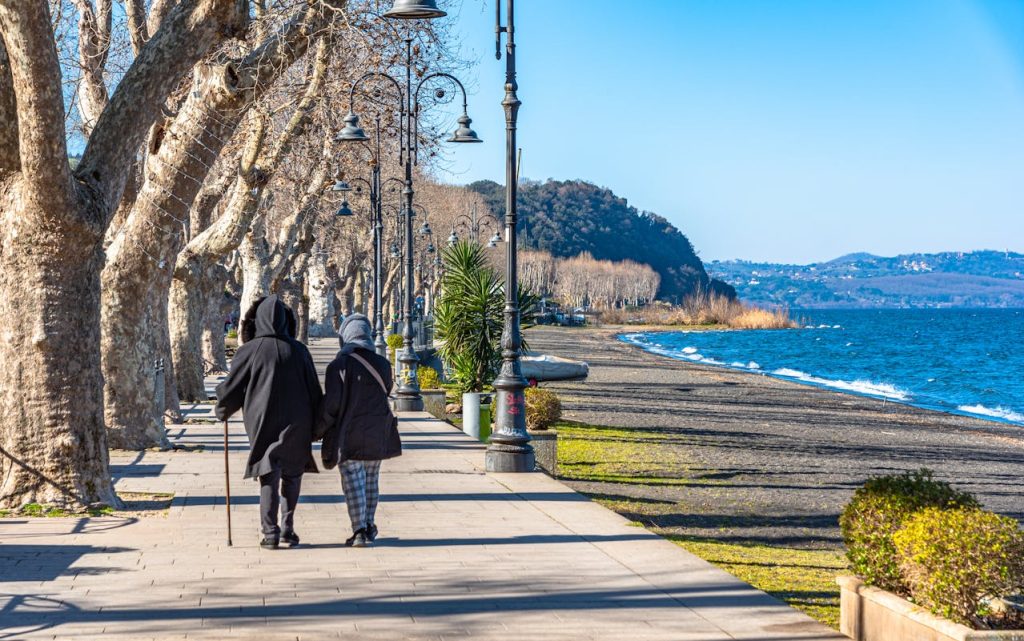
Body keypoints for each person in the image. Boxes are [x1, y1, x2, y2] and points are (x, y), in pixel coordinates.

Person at [215, 295, 323, 549]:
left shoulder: (248, 351)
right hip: (298, 419)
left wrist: (223, 408)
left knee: (268, 471)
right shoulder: (299, 351)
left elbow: (232, 387)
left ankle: (270, 531)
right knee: (293, 473)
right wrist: (320, 423)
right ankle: (287, 528)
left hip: (261, 419)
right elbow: (313, 390)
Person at [317, 314, 402, 548]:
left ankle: (359, 530)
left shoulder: (338, 366)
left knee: (353, 480)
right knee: (371, 479)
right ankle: (369, 523)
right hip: (378, 432)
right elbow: (386, 390)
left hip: (348, 432)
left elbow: (331, 405)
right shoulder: (383, 364)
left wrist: (317, 429)